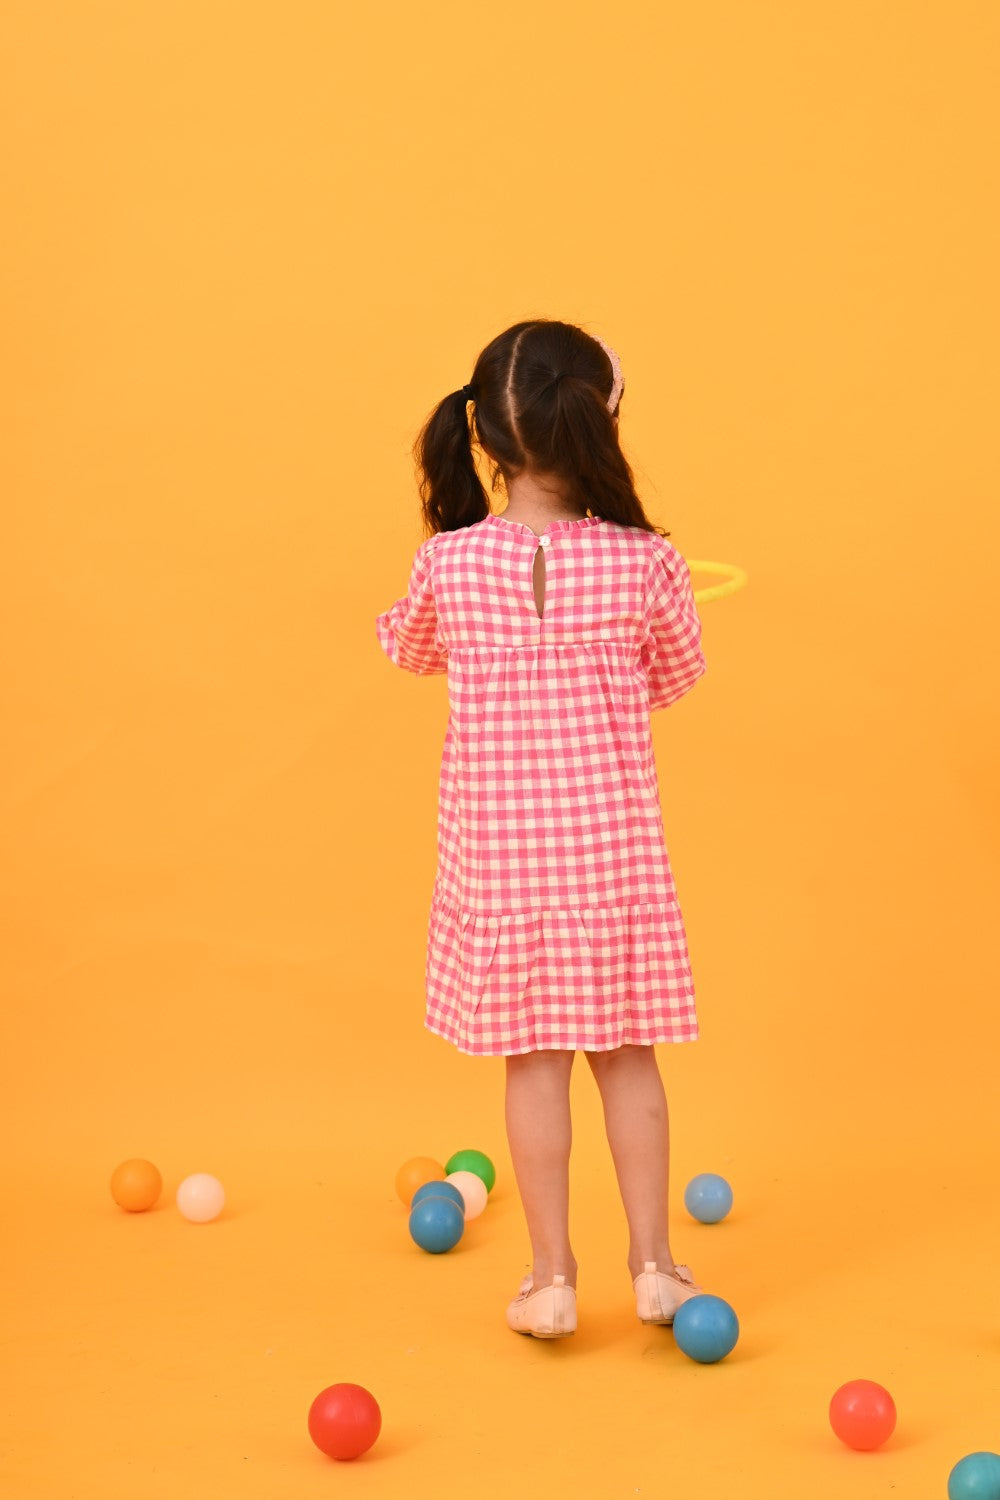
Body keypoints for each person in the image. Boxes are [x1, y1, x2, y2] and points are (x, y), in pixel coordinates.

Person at [375, 318, 710, 1340]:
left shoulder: (449, 565)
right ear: (600, 426)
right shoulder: (646, 564)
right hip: (610, 864)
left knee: (533, 1067)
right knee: (627, 1060)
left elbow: (407, 649)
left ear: (483, 435)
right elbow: (676, 675)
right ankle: (653, 1266)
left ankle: (551, 1278)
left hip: (505, 872)